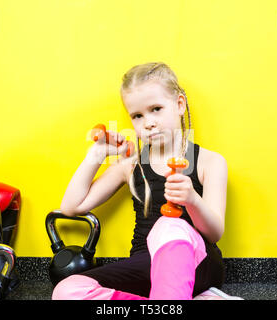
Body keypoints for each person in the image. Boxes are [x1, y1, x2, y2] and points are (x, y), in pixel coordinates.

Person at [52, 62, 228, 300]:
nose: (148, 122)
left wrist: (192, 201)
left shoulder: (210, 162)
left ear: (179, 104)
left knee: (169, 226)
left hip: (198, 264)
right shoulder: (130, 165)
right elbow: (71, 207)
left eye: (156, 109)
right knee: (67, 290)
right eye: (137, 115)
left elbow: (215, 233)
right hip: (146, 265)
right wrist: (96, 155)